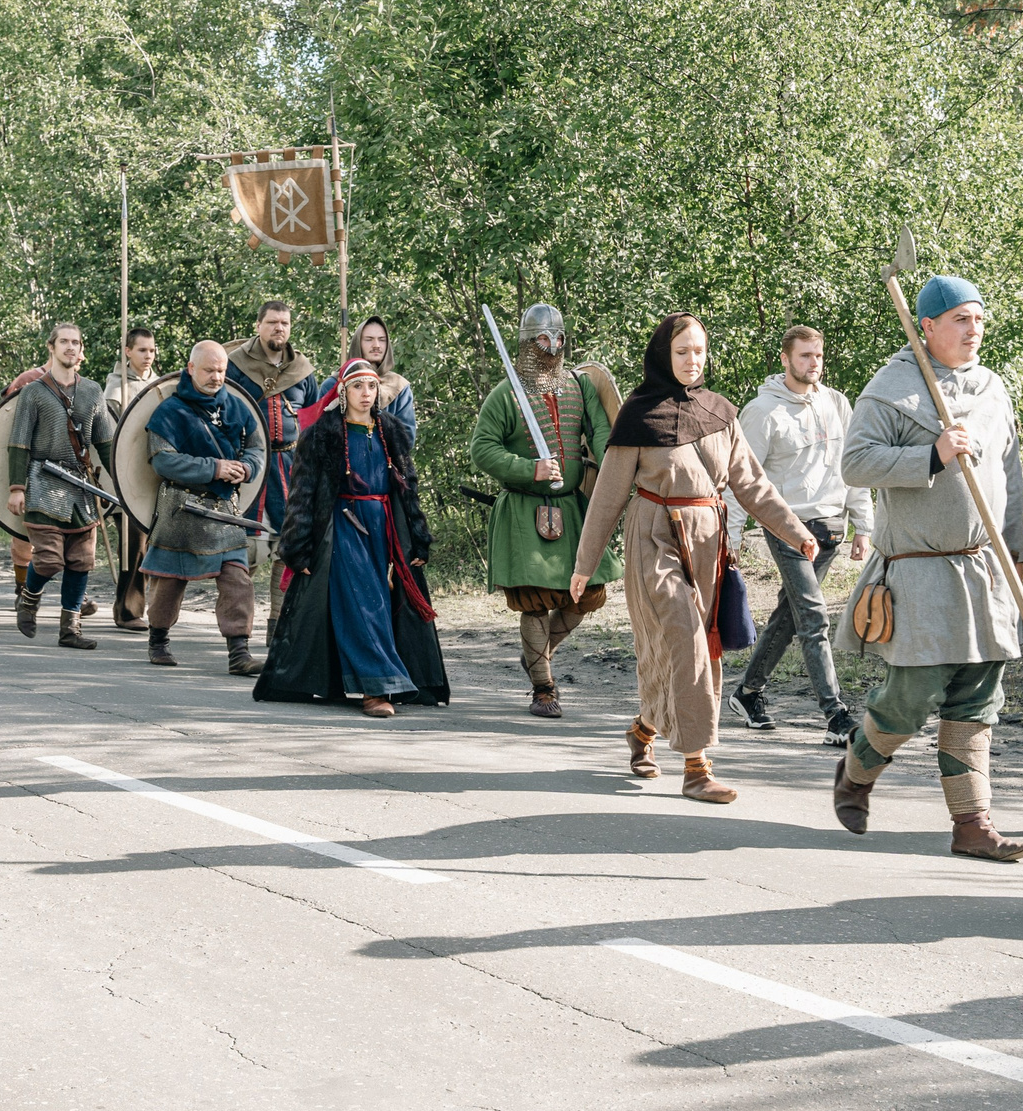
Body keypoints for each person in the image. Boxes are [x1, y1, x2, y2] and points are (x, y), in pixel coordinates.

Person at [573, 314, 813, 801]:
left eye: (699, 351)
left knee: (693, 650)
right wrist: (583, 565)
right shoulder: (638, 416)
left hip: (708, 544)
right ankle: (697, 766)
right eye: (682, 351)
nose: (692, 360)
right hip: (654, 538)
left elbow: (753, 485)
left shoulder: (721, 412)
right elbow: (608, 497)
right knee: (684, 637)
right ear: (665, 354)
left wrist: (795, 531)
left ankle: (643, 730)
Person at [833, 278, 1023, 859]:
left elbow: (1009, 475)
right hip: (918, 570)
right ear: (926, 327)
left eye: (979, 319)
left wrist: (1016, 551)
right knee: (914, 692)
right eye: (960, 320)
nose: (975, 330)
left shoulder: (992, 388)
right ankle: (857, 771)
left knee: (978, 698)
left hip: (985, 569)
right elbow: (855, 463)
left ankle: (972, 825)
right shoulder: (893, 390)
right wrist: (933, 454)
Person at [256, 356, 446, 714]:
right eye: (358, 386)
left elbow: (408, 488)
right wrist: (297, 547)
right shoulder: (322, 434)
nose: (366, 393)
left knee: (383, 604)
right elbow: (302, 495)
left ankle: (340, 679)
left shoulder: (391, 431)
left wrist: (418, 536)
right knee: (363, 602)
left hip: (384, 528)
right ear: (342, 391)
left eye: (372, 386)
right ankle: (378, 688)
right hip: (342, 526)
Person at [471, 302, 622, 719]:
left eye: (557, 337)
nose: (551, 345)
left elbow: (604, 433)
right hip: (523, 510)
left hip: (573, 508)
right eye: (542, 338)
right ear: (526, 343)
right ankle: (543, 688)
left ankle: (539, 655)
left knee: (589, 592)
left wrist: (616, 471)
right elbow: (482, 449)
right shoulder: (506, 395)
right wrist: (529, 468)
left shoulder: (580, 386)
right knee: (535, 601)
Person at [727, 325, 875, 743]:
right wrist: (732, 533)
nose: (814, 364)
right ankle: (836, 716)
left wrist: (863, 524)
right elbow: (742, 478)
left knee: (789, 616)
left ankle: (747, 692)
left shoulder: (836, 403)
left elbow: (854, 467)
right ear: (785, 358)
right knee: (813, 617)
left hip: (832, 527)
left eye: (819, 356)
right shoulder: (762, 411)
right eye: (805, 356)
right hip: (787, 526)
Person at [141, 341, 269, 674]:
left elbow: (256, 447)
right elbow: (163, 461)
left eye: (221, 371)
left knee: (238, 579)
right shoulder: (170, 411)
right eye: (209, 370)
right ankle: (158, 640)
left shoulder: (237, 407)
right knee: (168, 581)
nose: (216, 377)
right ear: (191, 369)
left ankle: (239, 652)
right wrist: (214, 468)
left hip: (224, 509)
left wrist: (247, 468)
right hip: (180, 507)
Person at [5, 322, 115, 648]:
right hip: (44, 481)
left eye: (76, 342)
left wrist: (121, 485)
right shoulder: (34, 392)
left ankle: (71, 629)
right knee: (50, 559)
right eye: (64, 342)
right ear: (51, 347)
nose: (71, 347)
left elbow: (106, 444)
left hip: (81, 485)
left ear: (81, 350)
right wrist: (16, 487)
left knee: (81, 560)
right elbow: (19, 443)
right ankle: (28, 598)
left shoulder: (93, 391)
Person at [227, 301, 321, 626]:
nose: (278, 328)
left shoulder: (303, 371)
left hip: (291, 467)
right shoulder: (236, 365)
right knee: (245, 550)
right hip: (248, 467)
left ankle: (279, 632)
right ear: (258, 325)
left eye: (284, 322)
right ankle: (239, 634)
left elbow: (312, 422)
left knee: (288, 547)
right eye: (272, 322)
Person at [103, 326, 164, 630]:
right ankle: (128, 610)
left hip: (157, 474)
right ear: (127, 352)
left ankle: (147, 608)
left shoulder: (159, 385)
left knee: (152, 544)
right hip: (126, 477)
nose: (148, 356)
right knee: (133, 544)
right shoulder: (116, 391)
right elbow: (112, 440)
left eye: (152, 350)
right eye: (142, 350)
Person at [346, 316, 417, 447]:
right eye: (369, 339)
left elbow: (407, 439)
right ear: (358, 343)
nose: (376, 345)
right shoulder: (336, 383)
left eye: (382, 340)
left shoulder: (399, 387)